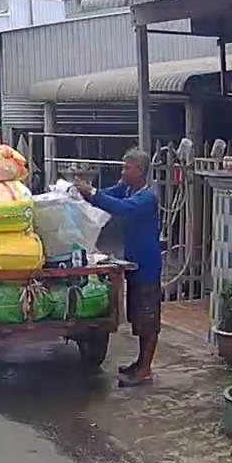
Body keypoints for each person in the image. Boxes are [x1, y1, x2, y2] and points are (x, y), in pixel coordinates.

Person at [75, 148, 162, 387]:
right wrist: (84, 193)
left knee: (148, 320)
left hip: (148, 266)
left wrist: (92, 193)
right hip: (134, 264)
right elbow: (107, 196)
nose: (123, 172)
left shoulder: (146, 198)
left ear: (140, 171)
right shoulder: (127, 189)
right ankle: (140, 363)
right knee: (137, 316)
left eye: (127, 168)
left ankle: (145, 369)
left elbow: (123, 208)